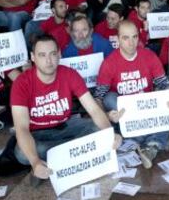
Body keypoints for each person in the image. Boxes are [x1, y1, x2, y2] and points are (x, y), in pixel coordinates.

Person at [10, 35, 120, 182]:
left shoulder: (69, 74)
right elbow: (21, 128)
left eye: (53, 54)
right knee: (23, 154)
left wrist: (108, 134)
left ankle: (60, 157)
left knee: (103, 128)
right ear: (33, 57)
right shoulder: (21, 83)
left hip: (67, 126)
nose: (48, 61)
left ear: (59, 54)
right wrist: (35, 161)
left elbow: (93, 109)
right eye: (42, 55)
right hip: (37, 134)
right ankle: (72, 153)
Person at [94, 20, 169, 169]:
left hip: (146, 111)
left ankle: (147, 144)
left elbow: (164, 83)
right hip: (125, 114)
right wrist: (107, 115)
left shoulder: (149, 56)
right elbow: (98, 97)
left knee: (167, 95)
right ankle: (158, 142)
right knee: (109, 98)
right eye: (125, 38)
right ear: (117, 39)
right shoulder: (109, 63)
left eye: (134, 37)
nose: (131, 42)